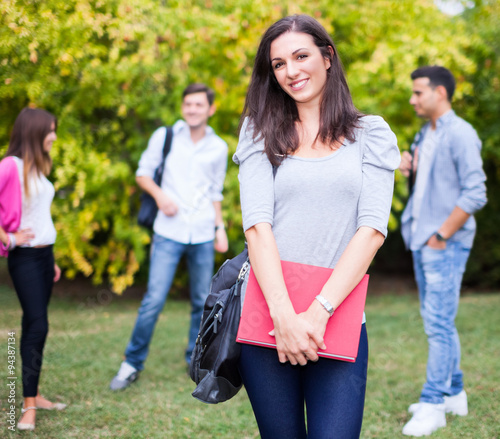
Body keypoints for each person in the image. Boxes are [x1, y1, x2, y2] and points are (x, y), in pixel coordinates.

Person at [233, 15, 400, 438]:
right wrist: (285, 316)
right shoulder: (259, 132)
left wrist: (318, 312)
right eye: (278, 64)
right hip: (269, 317)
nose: (291, 71)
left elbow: (372, 230)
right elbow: (256, 226)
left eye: (301, 56)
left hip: (339, 316)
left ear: (327, 57)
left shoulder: (372, 134)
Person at [110, 83, 229, 390]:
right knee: (153, 299)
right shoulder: (164, 137)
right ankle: (131, 363)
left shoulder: (218, 147)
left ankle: (196, 358)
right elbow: (142, 173)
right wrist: (161, 196)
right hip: (168, 231)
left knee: (202, 301)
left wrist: (220, 227)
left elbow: (216, 191)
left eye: (199, 105)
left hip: (202, 231)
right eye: (188, 104)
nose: (192, 109)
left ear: (210, 109)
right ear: (183, 107)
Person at [400, 66, 487, 437]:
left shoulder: (461, 133)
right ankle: (454, 393)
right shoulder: (426, 133)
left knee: (437, 323)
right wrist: (410, 166)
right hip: (422, 238)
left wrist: (441, 235)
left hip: (442, 243)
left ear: (440, 93)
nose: (413, 99)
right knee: (438, 320)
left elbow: (475, 191)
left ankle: (433, 402)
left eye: (419, 93)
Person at [0, 107, 67, 431]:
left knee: (33, 324)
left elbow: (40, 216)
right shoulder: (10, 166)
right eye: (50, 130)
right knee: (38, 325)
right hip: (24, 257)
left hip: (43, 257)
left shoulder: (37, 168)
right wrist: (8, 238)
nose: (54, 136)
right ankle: (28, 407)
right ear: (35, 131)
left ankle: (35, 393)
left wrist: (50, 257)